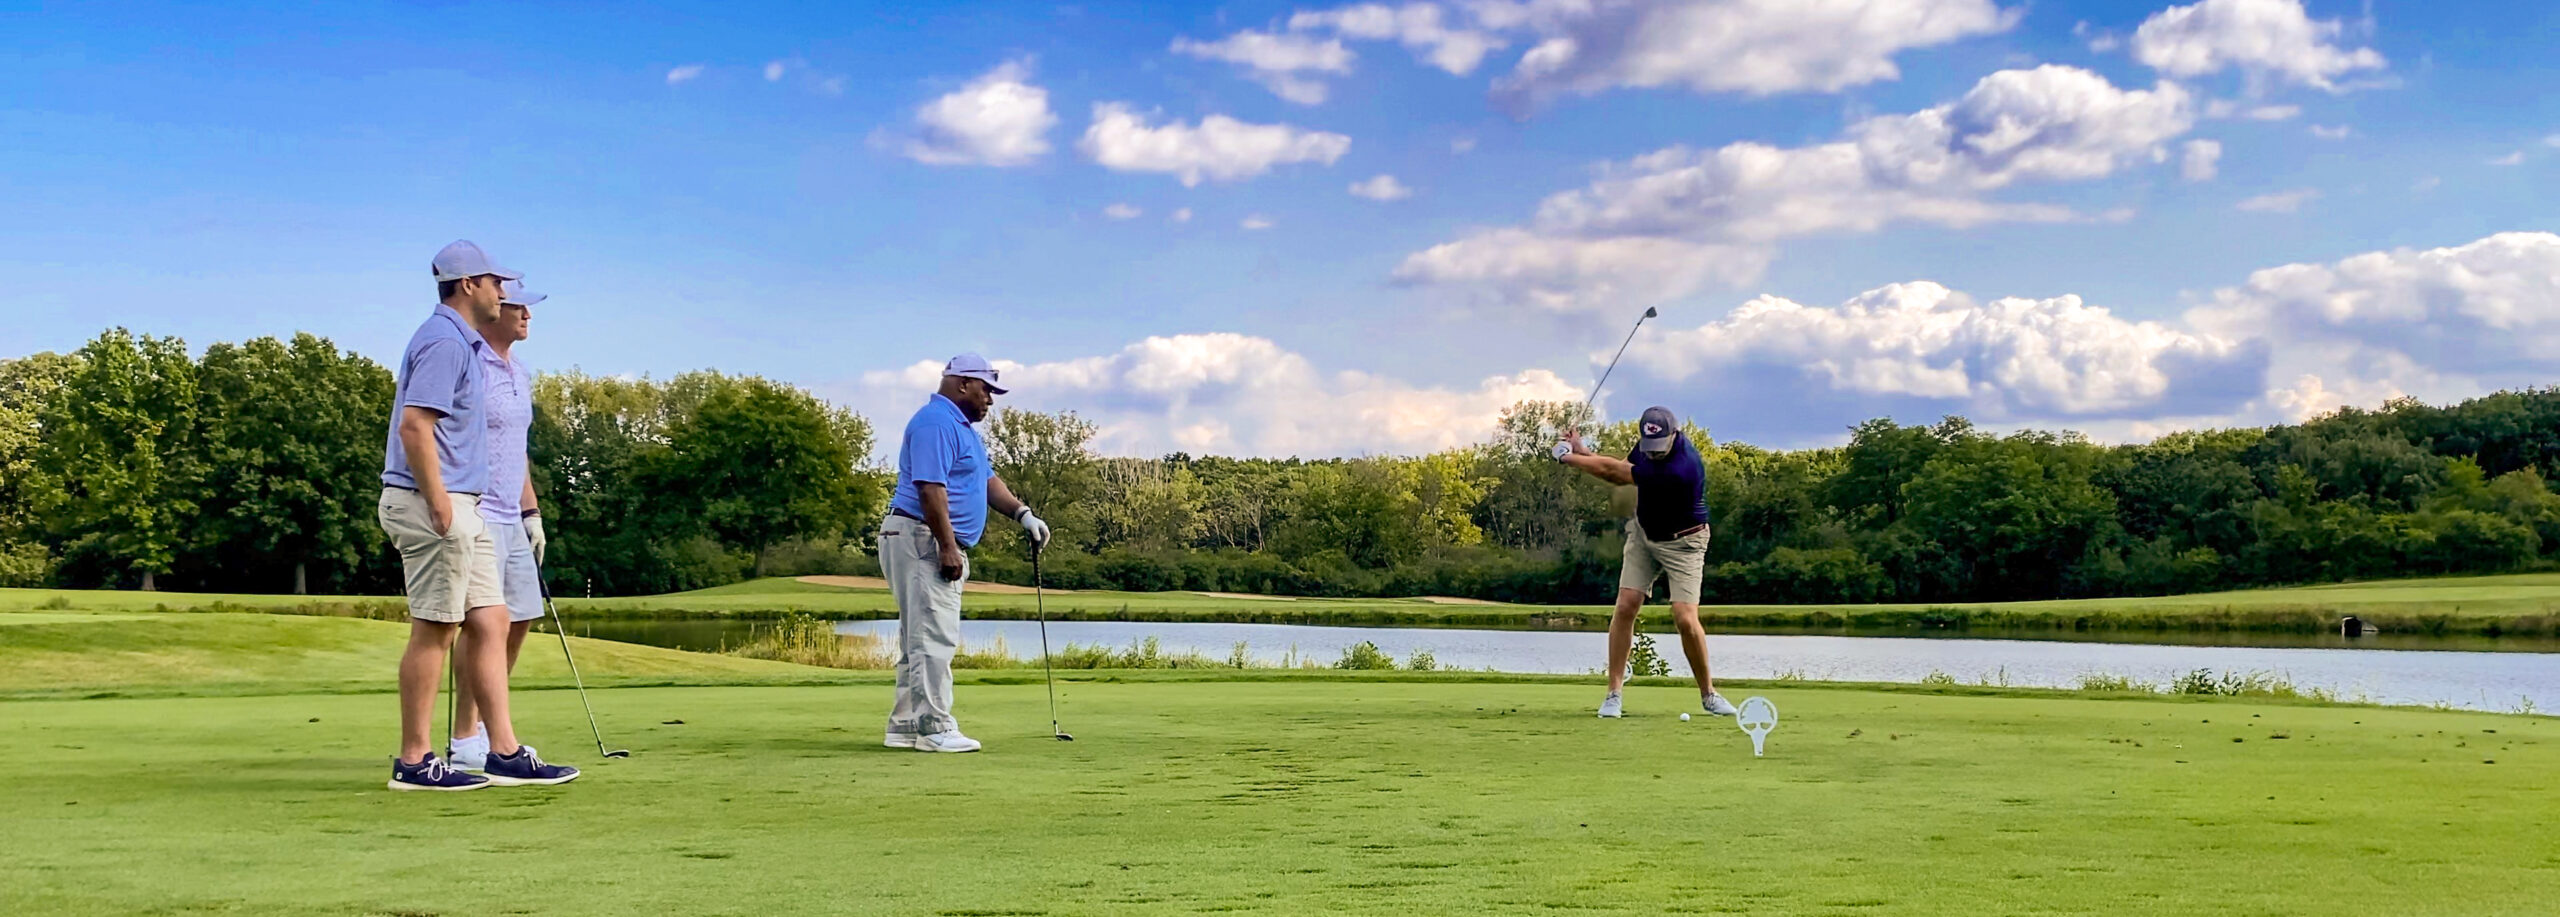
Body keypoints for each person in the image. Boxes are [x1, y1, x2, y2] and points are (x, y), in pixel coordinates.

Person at [378, 240, 578, 791]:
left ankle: (503, 751)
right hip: (437, 504)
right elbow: (416, 427)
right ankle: (414, 761)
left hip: (466, 505)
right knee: (437, 628)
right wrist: (442, 504)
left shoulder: (460, 342)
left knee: (491, 621)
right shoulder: (444, 341)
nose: (502, 292)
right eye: (495, 283)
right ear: (468, 285)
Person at [880, 353, 1052, 753]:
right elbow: (930, 489)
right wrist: (948, 546)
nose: (990, 399)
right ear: (962, 384)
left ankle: (906, 726)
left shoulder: (960, 428)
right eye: (986, 390)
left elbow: (987, 480)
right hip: (922, 537)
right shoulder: (936, 423)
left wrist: (1023, 514)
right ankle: (934, 727)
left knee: (918, 637)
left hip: (921, 536)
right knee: (933, 637)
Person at [1555, 406, 1737, 720]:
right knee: (1626, 604)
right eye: (1647, 446)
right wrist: (1583, 450)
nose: (1651, 453)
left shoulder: (1682, 468)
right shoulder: (1648, 447)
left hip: (1685, 543)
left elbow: (1614, 474)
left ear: (1674, 435)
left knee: (1684, 618)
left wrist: (1567, 457)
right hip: (1644, 535)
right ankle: (1613, 694)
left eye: (1658, 447)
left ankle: (1709, 695)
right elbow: (1623, 466)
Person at [447, 279, 551, 772]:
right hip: (477, 511)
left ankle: (491, 727)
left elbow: (517, 449)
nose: (527, 314)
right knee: (484, 624)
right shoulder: (470, 364)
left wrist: (531, 512)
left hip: (512, 513)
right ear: (494, 309)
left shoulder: (520, 372)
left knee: (521, 617)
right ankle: (465, 735)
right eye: (518, 306)